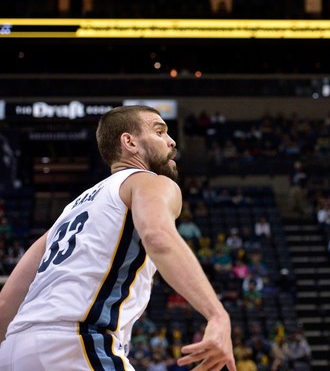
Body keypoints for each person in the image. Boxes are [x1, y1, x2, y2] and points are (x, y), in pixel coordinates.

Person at [0, 105, 237, 371]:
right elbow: (157, 236)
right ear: (130, 142)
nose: (171, 142)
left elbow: (6, 301)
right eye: (159, 132)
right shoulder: (149, 182)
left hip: (13, 351)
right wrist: (217, 315)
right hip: (76, 343)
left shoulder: (68, 214)